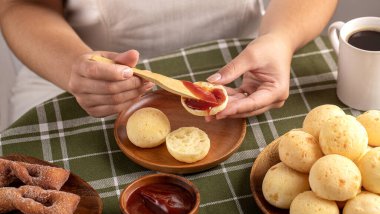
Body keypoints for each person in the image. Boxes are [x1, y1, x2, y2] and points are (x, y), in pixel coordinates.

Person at [0, 0, 338, 123]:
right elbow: (19, 6)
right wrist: (74, 65)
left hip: (247, 59)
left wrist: (280, 38)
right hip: (73, 66)